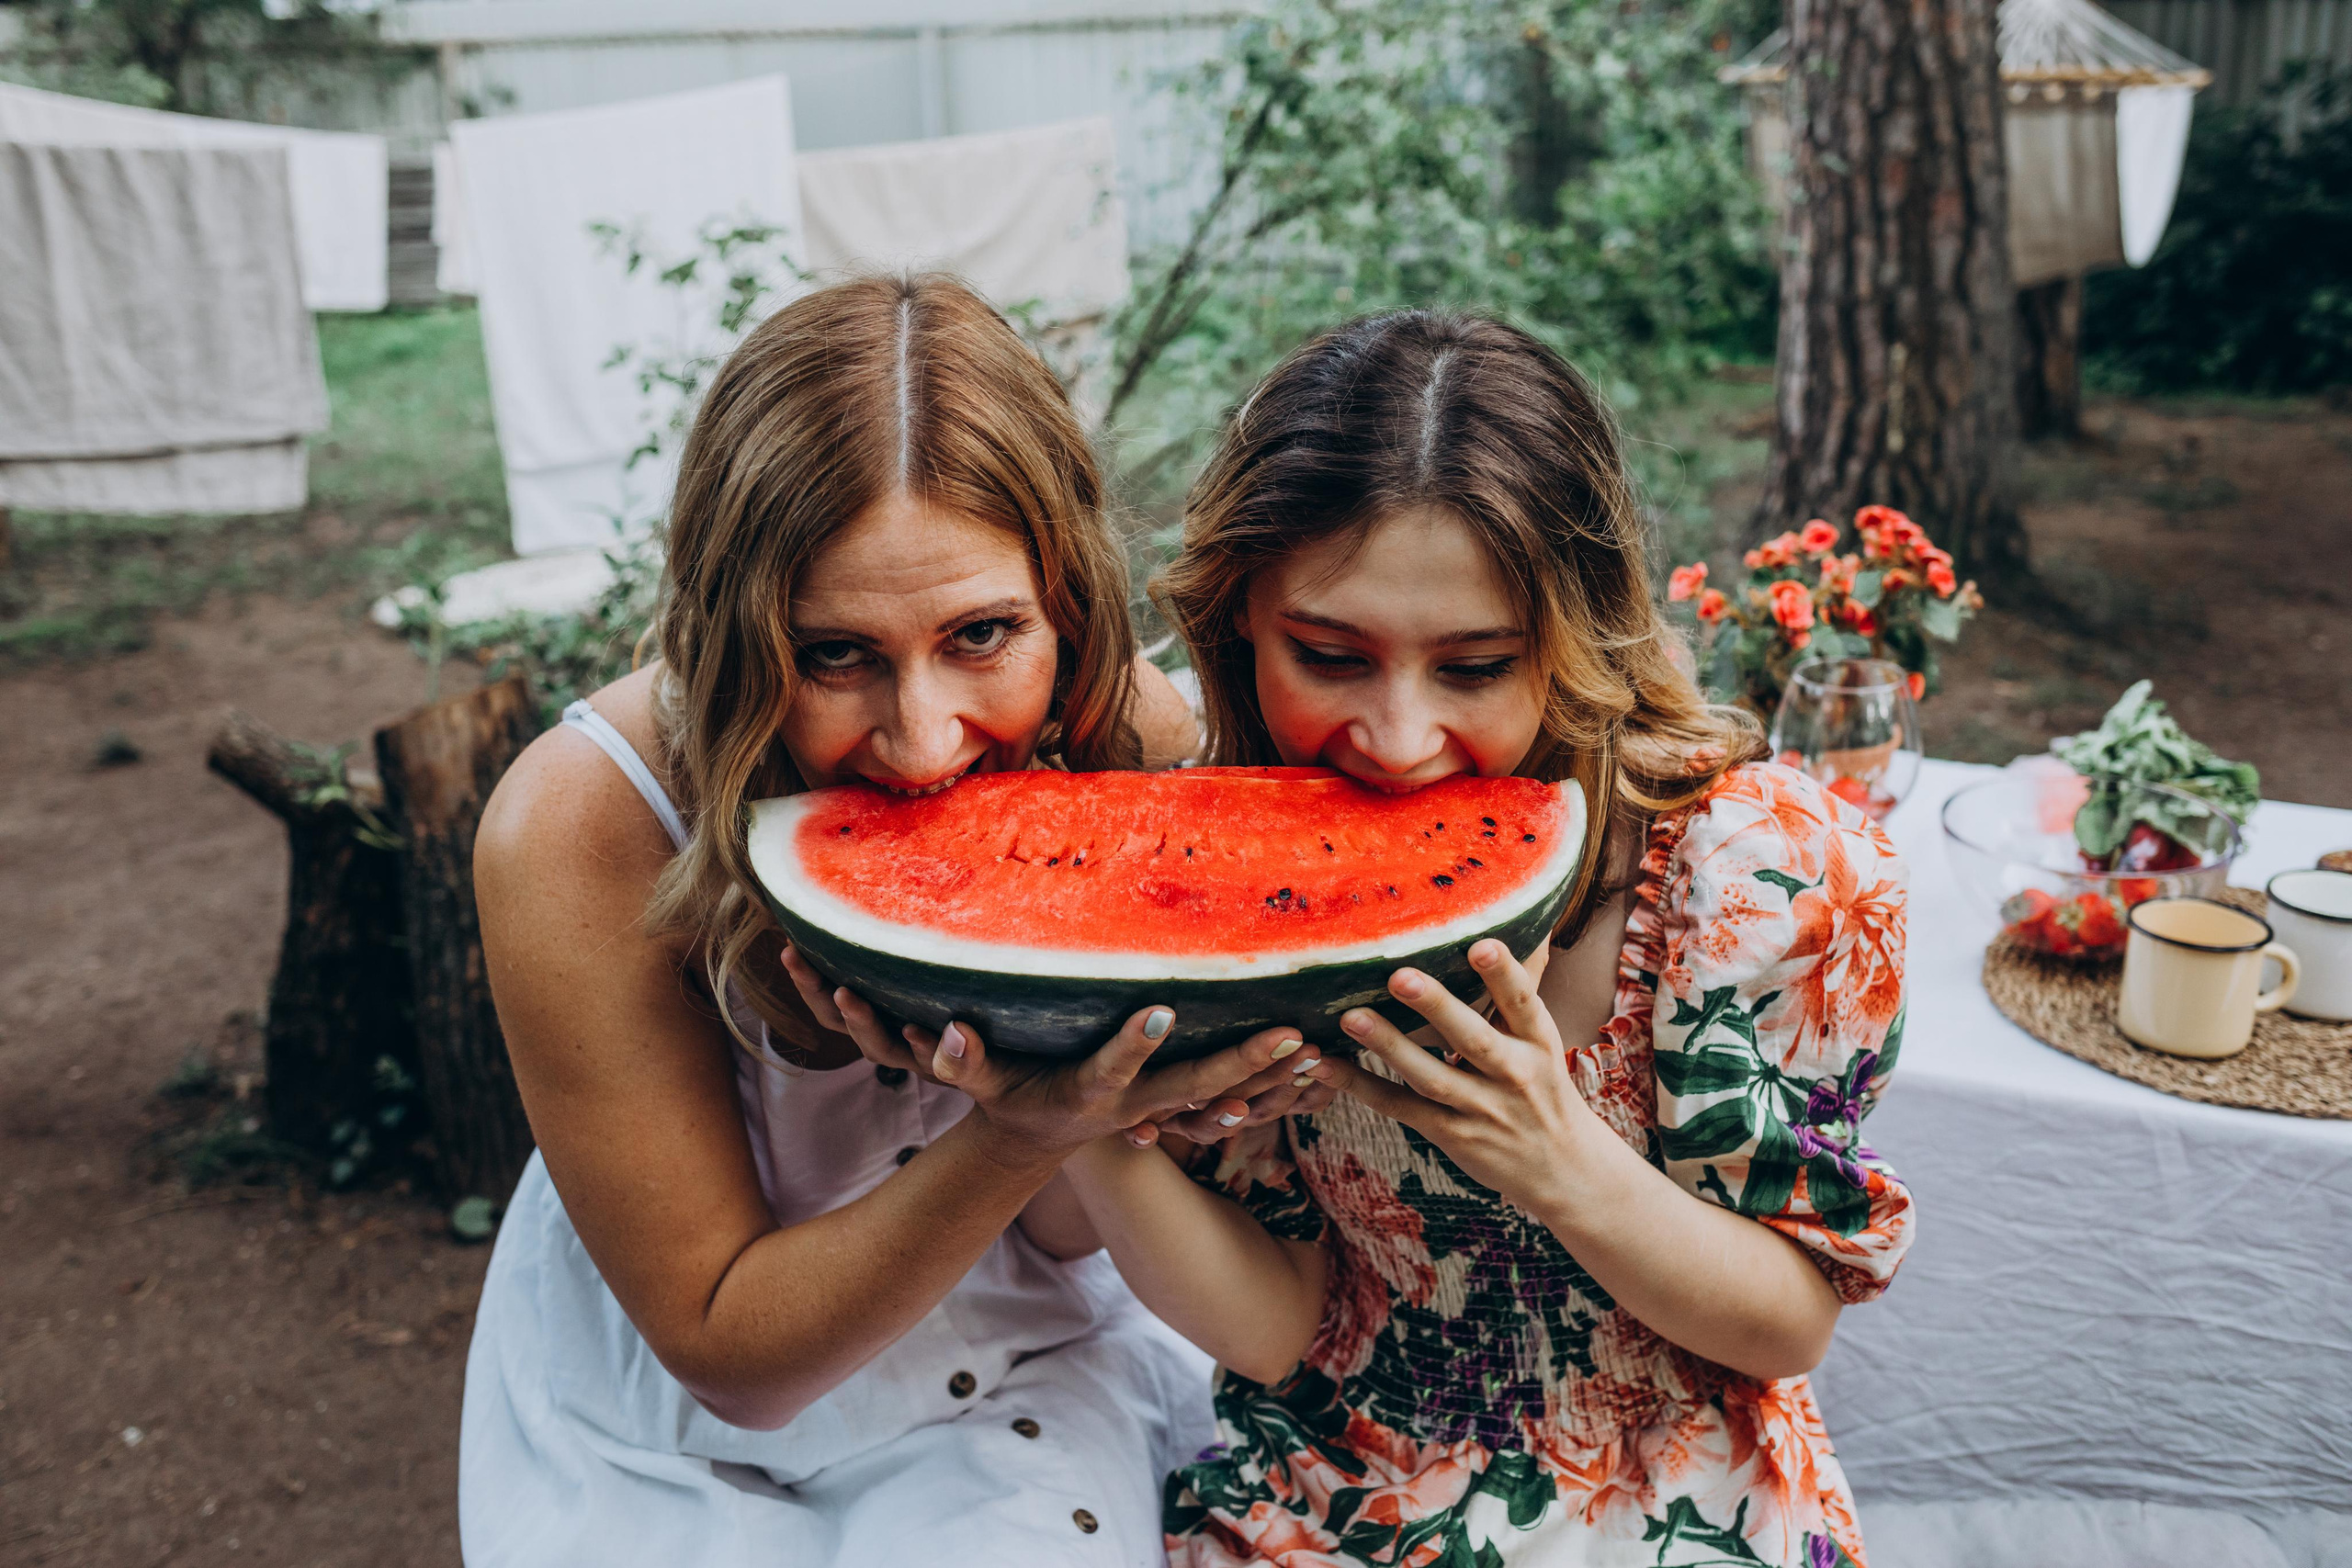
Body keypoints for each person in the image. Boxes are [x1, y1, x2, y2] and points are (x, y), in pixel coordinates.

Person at [459, 273, 1309, 1567]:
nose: (921, 744)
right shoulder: (583, 824)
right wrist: (1029, 1132)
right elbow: (730, 1355)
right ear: (731, 632)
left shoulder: (1140, 748)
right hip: (685, 1435)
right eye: (833, 654)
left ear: (1068, 600)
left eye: (982, 634)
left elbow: (1070, 1234)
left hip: (1037, 1363)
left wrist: (1141, 1124)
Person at [1057, 310, 1917, 1566]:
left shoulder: (1753, 875)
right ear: (1242, 616)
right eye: (1330, 654)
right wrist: (1074, 1122)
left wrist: (1562, 1160)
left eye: (1476, 667)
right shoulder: (1211, 857)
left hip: (1675, 1498)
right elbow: (1285, 1326)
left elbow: (1788, 1327)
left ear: (1575, 636)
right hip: (1345, 1487)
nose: (1398, 740)